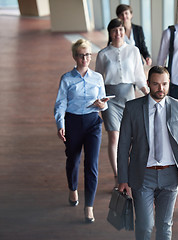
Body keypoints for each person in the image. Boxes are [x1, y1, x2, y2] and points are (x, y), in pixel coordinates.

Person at [117, 66, 178, 240]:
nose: (160, 89)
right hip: (142, 174)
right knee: (145, 226)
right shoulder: (132, 108)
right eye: (155, 84)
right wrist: (122, 178)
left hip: (170, 176)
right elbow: (123, 146)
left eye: (164, 84)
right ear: (148, 84)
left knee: (165, 225)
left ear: (169, 84)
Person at [54, 39, 109, 223]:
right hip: (73, 123)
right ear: (74, 56)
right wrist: (60, 124)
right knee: (73, 160)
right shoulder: (66, 79)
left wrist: (102, 105)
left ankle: (89, 206)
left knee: (91, 165)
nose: (85, 58)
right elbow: (60, 104)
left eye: (87, 55)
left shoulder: (98, 78)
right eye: (81, 55)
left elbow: (103, 103)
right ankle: (73, 187)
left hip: (93, 123)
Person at [96, 18, 148, 188]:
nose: (118, 33)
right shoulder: (103, 54)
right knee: (114, 137)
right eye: (114, 30)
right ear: (110, 33)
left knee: (131, 138)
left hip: (129, 97)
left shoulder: (133, 51)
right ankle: (118, 176)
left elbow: (139, 77)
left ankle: (130, 172)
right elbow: (98, 80)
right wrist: (98, 101)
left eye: (121, 30)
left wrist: (149, 93)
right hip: (110, 99)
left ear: (125, 31)